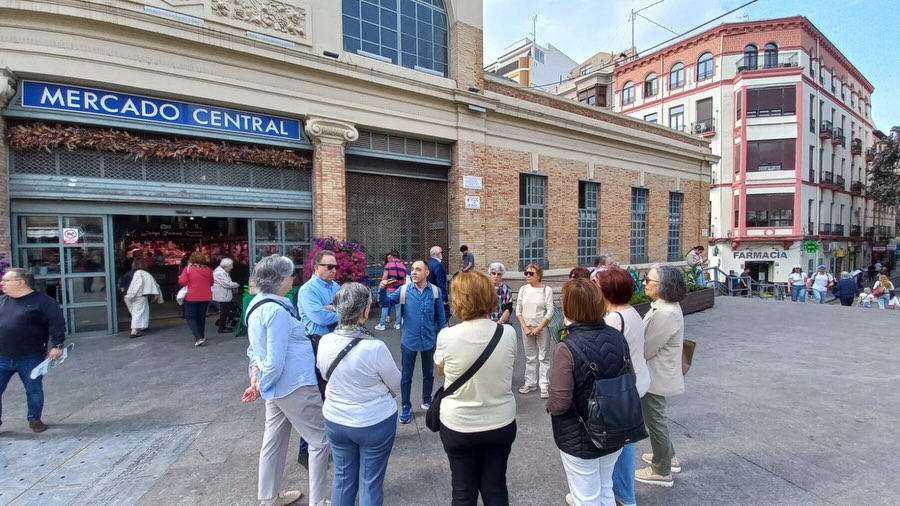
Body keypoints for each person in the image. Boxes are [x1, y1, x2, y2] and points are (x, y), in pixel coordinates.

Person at [242, 255, 332, 506]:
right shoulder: (276, 311)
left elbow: (255, 351)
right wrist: (261, 383)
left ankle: (268, 497)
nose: (294, 278)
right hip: (295, 386)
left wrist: (256, 379)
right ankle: (317, 501)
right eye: (291, 274)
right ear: (281, 279)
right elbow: (274, 359)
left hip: (276, 387)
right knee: (319, 440)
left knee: (273, 441)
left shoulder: (258, 305)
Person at [435, 271, 517, 505]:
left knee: (463, 490)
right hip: (500, 420)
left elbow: (441, 370)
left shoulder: (447, 336)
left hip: (459, 423)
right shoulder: (508, 333)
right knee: (496, 488)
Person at [316, 283, 401, 506]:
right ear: (364, 311)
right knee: (370, 482)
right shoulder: (374, 347)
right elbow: (396, 382)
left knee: (343, 479)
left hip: (336, 419)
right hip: (374, 421)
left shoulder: (324, 341)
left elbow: (325, 374)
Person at [546, 278, 629, 506]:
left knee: (586, 498)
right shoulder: (617, 336)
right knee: (604, 489)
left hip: (580, 432)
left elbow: (560, 402)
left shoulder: (567, 346)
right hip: (615, 425)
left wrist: (550, 406)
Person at [595, 269, 650, 506]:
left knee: (621, 441)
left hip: (622, 386)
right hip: (637, 380)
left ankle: (623, 493)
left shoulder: (614, 320)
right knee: (626, 438)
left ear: (608, 291)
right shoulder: (631, 312)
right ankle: (624, 492)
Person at [635, 264, 686, 489]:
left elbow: (647, 349)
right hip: (656, 373)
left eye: (649, 280)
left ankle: (661, 470)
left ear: (664, 286)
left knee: (656, 422)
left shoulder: (666, 312)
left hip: (655, 376)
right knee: (658, 420)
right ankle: (668, 457)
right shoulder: (664, 307)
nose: (645, 282)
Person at [379, 260, 447, 424]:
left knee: (428, 374)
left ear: (427, 273)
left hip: (429, 341)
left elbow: (441, 318)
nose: (414, 272)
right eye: (412, 270)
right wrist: (382, 290)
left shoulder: (436, 292)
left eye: (418, 269)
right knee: (406, 376)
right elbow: (385, 302)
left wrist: (441, 340)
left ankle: (427, 400)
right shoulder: (404, 290)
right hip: (409, 341)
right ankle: (406, 406)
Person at [0, 268, 66, 433]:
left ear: (21, 282)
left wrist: (57, 345)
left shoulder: (44, 302)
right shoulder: (2, 301)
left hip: (31, 357)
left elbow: (56, 324)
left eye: (7, 280)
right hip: (2, 356)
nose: (2, 283)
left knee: (34, 389)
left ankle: (34, 419)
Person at [297, 249, 341, 465]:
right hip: (316, 346)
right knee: (317, 399)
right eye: (329, 267)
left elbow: (344, 308)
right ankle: (305, 451)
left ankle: (333, 441)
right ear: (316, 268)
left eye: (335, 267)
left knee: (333, 394)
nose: (334, 271)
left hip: (335, 345)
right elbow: (319, 317)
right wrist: (336, 309)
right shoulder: (308, 290)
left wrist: (331, 308)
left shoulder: (335, 286)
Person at [515, 263, 554, 399]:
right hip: (526, 327)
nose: (528, 276)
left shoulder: (546, 290)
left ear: (539, 275)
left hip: (541, 328)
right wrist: (525, 327)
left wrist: (539, 327)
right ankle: (530, 382)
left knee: (543, 356)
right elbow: (518, 309)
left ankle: (544, 384)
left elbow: (550, 310)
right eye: (526, 273)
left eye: (531, 273)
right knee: (529, 357)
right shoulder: (523, 289)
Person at [178, 252, 214, 346]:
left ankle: (198, 337)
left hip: (192, 296)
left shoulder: (188, 269)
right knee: (201, 316)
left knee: (190, 317)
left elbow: (182, 282)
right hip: (206, 296)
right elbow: (211, 283)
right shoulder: (208, 270)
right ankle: (202, 335)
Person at [123, 258, 163, 338]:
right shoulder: (144, 274)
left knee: (134, 313)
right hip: (140, 295)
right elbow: (153, 285)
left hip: (127, 296)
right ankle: (134, 331)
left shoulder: (128, 274)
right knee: (138, 313)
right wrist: (156, 295)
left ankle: (141, 327)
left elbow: (121, 285)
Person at [375, 251, 407, 331]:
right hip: (399, 289)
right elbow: (404, 281)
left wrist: (383, 284)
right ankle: (398, 324)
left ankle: (382, 324)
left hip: (389, 289)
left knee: (385, 306)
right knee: (398, 308)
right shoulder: (403, 267)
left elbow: (384, 277)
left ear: (392, 257)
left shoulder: (388, 265)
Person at [212, 258, 240, 334]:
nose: (232, 267)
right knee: (224, 311)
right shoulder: (219, 273)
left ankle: (222, 326)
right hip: (223, 295)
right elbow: (226, 284)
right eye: (231, 265)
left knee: (225, 311)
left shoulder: (222, 272)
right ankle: (221, 328)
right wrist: (236, 284)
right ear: (227, 266)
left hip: (224, 294)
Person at [428, 246, 451, 320]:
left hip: (429, 294)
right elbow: (441, 283)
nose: (442, 254)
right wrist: (444, 298)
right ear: (438, 254)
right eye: (442, 252)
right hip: (438, 295)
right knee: (441, 318)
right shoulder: (438, 265)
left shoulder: (428, 263)